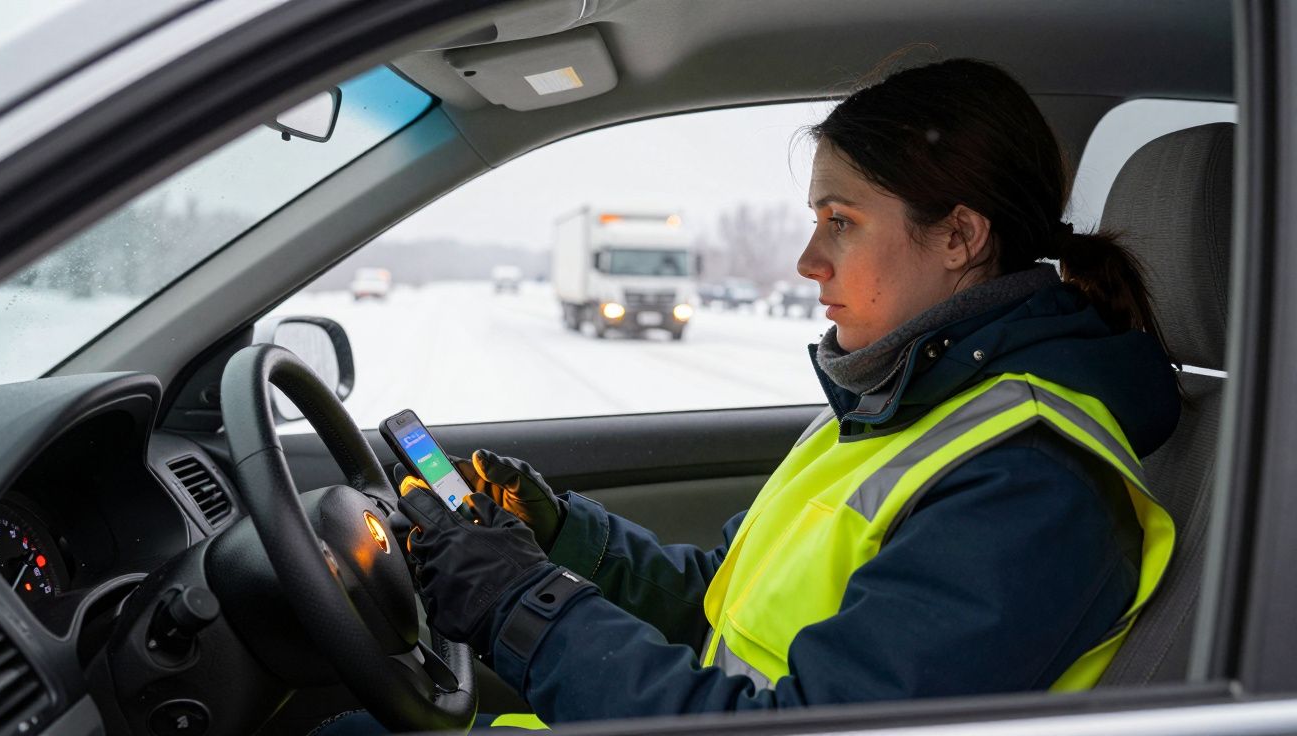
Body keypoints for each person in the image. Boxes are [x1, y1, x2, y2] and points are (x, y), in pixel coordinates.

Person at [395, 58, 1181, 728]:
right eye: (817, 219)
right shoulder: (897, 412)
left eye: (840, 221)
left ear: (958, 237)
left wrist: (517, 603)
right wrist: (563, 538)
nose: (808, 259)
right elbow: (727, 604)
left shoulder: (1030, 485)